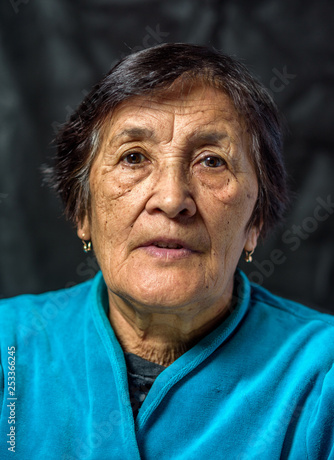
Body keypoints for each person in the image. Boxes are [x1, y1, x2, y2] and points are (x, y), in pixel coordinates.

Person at [0, 43, 333, 460]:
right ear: (81, 210)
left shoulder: (323, 376)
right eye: (133, 157)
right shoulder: (8, 348)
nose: (173, 198)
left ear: (256, 222)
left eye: (212, 161)